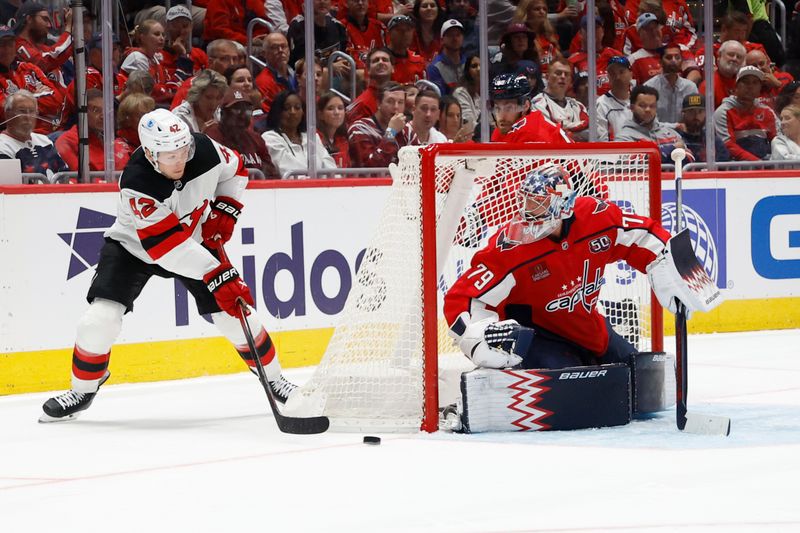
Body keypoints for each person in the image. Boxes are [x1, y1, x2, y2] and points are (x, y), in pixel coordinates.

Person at [39, 108, 298, 422]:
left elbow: (237, 170)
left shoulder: (204, 149)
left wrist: (226, 210)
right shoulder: (137, 181)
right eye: (169, 155)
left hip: (192, 238)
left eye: (183, 150)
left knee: (235, 315)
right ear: (150, 153)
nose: (180, 160)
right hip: (134, 248)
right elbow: (167, 249)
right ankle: (83, 389)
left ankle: (275, 380)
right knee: (97, 322)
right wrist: (218, 274)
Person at [443, 164, 677, 372]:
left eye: (538, 203)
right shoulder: (511, 246)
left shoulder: (596, 217)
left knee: (642, 378)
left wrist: (673, 264)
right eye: (526, 201)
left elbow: (643, 235)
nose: (528, 212)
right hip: (538, 337)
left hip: (588, 327)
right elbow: (463, 298)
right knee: (571, 388)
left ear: (564, 205)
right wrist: (476, 335)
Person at [0, 24, 63, 134]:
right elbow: (4, 112)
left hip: (45, 134)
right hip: (11, 136)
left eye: (10, 44)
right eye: (2, 45)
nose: (7, 49)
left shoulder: (29, 68)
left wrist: (17, 101)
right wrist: (37, 95)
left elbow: (57, 100)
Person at [206, 88, 279, 179]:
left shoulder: (256, 138)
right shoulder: (212, 137)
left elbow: (272, 175)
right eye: (236, 110)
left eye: (247, 110)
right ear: (223, 113)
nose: (243, 115)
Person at [261, 91, 337, 178]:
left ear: (303, 112)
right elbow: (288, 171)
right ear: (277, 112)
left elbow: (330, 167)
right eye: (287, 108)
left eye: (297, 108)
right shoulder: (270, 138)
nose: (293, 112)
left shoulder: (312, 137)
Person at [55, 89, 132, 173]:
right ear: (83, 112)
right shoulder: (66, 141)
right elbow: (79, 178)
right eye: (96, 110)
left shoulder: (109, 140)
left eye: (105, 110)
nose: (103, 116)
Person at [714, 65, 780, 161]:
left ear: (760, 87)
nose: (750, 86)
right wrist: (757, 163)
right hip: (736, 164)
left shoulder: (767, 111)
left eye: (755, 82)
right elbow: (728, 145)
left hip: (765, 161)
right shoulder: (723, 112)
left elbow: (776, 140)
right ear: (736, 86)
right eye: (745, 82)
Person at [0, 90, 67, 180]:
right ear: (8, 114)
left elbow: (65, 175)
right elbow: (11, 185)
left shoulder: (45, 141)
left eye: (31, 111)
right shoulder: (2, 147)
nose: (28, 117)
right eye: (22, 111)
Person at [615, 85, 690, 165]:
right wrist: (671, 149)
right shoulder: (623, 137)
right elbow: (630, 163)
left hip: (673, 177)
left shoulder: (671, 133)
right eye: (642, 106)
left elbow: (690, 157)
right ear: (632, 108)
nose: (648, 110)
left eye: (652, 106)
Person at [488, 73, 571, 144]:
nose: (501, 116)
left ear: (525, 106)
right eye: (497, 108)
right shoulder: (503, 129)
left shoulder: (532, 133)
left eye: (509, 108)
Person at [348, 82, 408, 167]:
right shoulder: (359, 129)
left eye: (400, 102)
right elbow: (370, 167)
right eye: (390, 101)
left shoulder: (406, 130)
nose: (396, 107)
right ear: (378, 104)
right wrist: (391, 133)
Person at [13, 2, 73, 84]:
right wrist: (68, 29)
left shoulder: (41, 48)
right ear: (29, 19)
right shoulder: (17, 45)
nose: (49, 25)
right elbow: (44, 62)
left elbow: (58, 54)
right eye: (45, 19)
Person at [531, 58, 589, 141]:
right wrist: (577, 130)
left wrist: (566, 129)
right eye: (558, 73)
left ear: (570, 80)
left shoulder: (578, 106)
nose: (563, 76)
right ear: (547, 77)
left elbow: (590, 130)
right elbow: (551, 133)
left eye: (567, 74)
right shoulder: (537, 104)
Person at [120, 19, 176, 104]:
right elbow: (151, 90)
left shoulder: (154, 58)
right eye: (156, 34)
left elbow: (162, 85)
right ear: (143, 38)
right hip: (133, 104)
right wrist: (171, 93)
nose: (161, 38)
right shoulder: (137, 58)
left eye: (163, 35)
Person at [171, 39, 239, 109]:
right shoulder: (193, 85)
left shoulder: (242, 85)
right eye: (225, 59)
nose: (232, 64)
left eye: (235, 59)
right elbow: (177, 116)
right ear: (210, 62)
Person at [644, 42, 699, 125]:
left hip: (684, 134)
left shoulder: (690, 87)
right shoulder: (649, 87)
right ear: (660, 61)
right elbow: (648, 120)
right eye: (669, 57)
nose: (673, 61)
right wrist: (675, 127)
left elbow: (695, 115)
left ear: (682, 61)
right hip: (657, 134)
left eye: (677, 57)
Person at [346, 47, 394, 124]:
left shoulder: (399, 98)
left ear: (393, 68)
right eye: (376, 60)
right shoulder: (362, 104)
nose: (381, 62)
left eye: (385, 60)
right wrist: (392, 131)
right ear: (368, 70)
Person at [678, 94, 731, 163]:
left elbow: (724, 165)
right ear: (683, 114)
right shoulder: (676, 139)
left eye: (700, 112)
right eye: (691, 112)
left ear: (706, 113)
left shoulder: (713, 141)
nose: (696, 116)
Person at [161, 5, 208, 77]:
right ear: (166, 26)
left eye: (185, 26)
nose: (181, 31)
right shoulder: (158, 55)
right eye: (175, 26)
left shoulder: (199, 54)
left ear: (191, 27)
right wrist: (182, 54)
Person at [254, 33, 296, 115]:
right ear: (264, 54)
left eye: (284, 46)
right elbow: (270, 116)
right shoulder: (262, 82)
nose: (280, 50)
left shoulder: (297, 75)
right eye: (274, 47)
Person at [699, 40, 747, 108]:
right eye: (731, 54)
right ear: (719, 56)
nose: (734, 59)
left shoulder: (746, 82)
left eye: (739, 57)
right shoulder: (708, 86)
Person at [342, 0, 388, 70]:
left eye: (363, 0)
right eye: (356, 0)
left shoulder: (379, 27)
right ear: (346, 3)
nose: (360, 3)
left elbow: (388, 55)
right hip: (353, 75)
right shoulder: (341, 27)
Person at [596, 55, 633, 141]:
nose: (617, 77)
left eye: (621, 72)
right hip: (614, 152)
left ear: (631, 74)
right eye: (612, 73)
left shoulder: (639, 101)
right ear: (608, 77)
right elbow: (601, 141)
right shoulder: (601, 104)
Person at [426, 19, 465, 96]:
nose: (455, 39)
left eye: (458, 35)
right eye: (450, 35)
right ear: (442, 40)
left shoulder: (469, 63)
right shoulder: (435, 68)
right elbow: (440, 97)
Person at [202, 0, 267, 45]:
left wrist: (256, 38)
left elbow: (262, 25)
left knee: (272, 47)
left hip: (249, 41)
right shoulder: (218, 2)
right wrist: (247, 40)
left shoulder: (254, 2)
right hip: (221, 42)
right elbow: (219, 30)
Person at [386, 15, 427, 84]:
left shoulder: (419, 61)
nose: (404, 33)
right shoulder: (380, 60)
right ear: (389, 33)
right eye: (399, 29)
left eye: (408, 29)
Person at [317, 91, 351, 168]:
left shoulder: (343, 141)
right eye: (330, 108)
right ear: (320, 114)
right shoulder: (315, 139)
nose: (337, 112)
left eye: (340, 108)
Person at [452, 53, 481, 132]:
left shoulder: (478, 95)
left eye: (481, 65)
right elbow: (468, 123)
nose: (478, 69)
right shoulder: (460, 93)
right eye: (474, 66)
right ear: (467, 71)